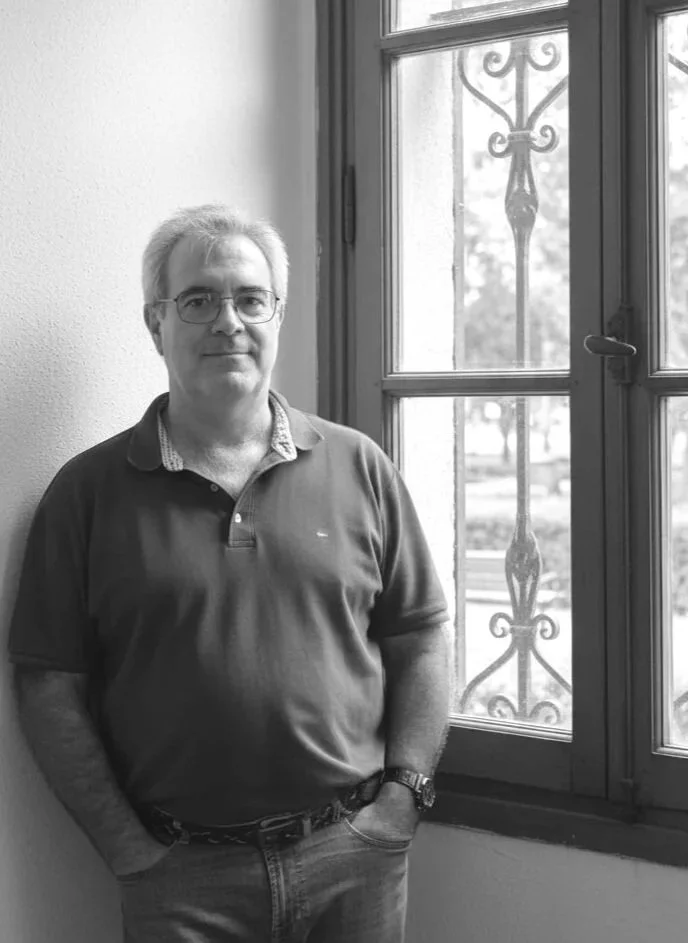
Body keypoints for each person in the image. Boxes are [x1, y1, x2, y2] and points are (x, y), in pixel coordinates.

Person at [8, 204, 451, 943]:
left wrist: (403, 796)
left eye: (250, 299)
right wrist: (127, 846)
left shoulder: (359, 465)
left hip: (354, 856)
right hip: (181, 876)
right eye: (198, 300)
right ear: (156, 324)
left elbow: (421, 635)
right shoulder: (85, 493)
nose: (228, 321)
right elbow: (47, 684)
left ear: (277, 316)